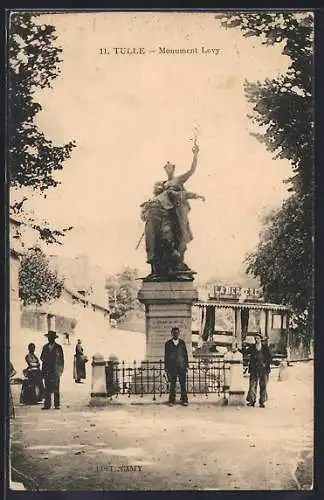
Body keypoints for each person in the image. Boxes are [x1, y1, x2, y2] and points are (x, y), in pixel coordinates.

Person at [164, 327, 189, 406]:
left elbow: (185, 355)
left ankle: (184, 400)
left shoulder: (182, 343)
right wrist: (166, 367)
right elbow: (166, 356)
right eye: (174, 333)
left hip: (181, 366)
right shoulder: (168, 343)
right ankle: (171, 400)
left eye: (177, 333)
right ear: (171, 333)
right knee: (172, 384)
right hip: (172, 367)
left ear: (179, 333)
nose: (175, 334)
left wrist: (186, 365)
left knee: (183, 384)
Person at [246, 333, 272, 408]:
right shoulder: (252, 347)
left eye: (258, 338)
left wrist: (266, 364)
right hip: (254, 368)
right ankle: (252, 401)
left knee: (263, 385)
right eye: (255, 338)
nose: (256, 340)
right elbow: (246, 352)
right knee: (252, 385)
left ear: (260, 339)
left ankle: (262, 402)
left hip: (263, 369)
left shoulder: (265, 347)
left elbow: (269, 358)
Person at [40, 331, 64, 410]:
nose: (50, 339)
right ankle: (47, 404)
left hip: (55, 370)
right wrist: (43, 371)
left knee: (56, 387)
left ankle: (56, 404)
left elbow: (61, 360)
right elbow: (42, 358)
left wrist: (60, 370)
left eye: (51, 338)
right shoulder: (45, 347)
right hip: (47, 370)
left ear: (54, 339)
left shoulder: (58, 347)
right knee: (47, 388)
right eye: (49, 338)